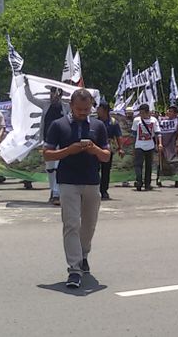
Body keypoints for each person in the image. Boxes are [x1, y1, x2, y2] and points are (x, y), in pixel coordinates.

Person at [43, 89, 110, 289]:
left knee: (89, 225)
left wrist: (95, 150)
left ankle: (83, 254)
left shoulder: (98, 125)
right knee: (71, 224)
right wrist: (68, 151)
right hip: (68, 181)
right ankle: (74, 269)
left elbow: (106, 156)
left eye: (87, 109)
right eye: (79, 109)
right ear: (71, 106)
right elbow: (47, 154)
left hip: (91, 181)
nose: (83, 112)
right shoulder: (58, 125)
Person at [131, 103, 162, 191]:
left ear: (147, 112)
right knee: (138, 165)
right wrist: (133, 145)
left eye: (142, 112)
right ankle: (139, 181)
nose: (141, 114)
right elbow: (133, 134)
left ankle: (147, 183)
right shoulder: (137, 120)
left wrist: (160, 143)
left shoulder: (153, 120)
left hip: (150, 145)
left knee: (149, 165)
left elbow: (158, 132)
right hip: (139, 145)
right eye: (140, 112)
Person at [97, 100, 124, 200]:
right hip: (95, 148)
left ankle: (104, 190)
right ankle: (95, 189)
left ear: (104, 110)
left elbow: (119, 136)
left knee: (106, 170)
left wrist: (120, 148)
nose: (97, 110)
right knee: (95, 169)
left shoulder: (113, 122)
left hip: (107, 148)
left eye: (99, 108)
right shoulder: (95, 121)